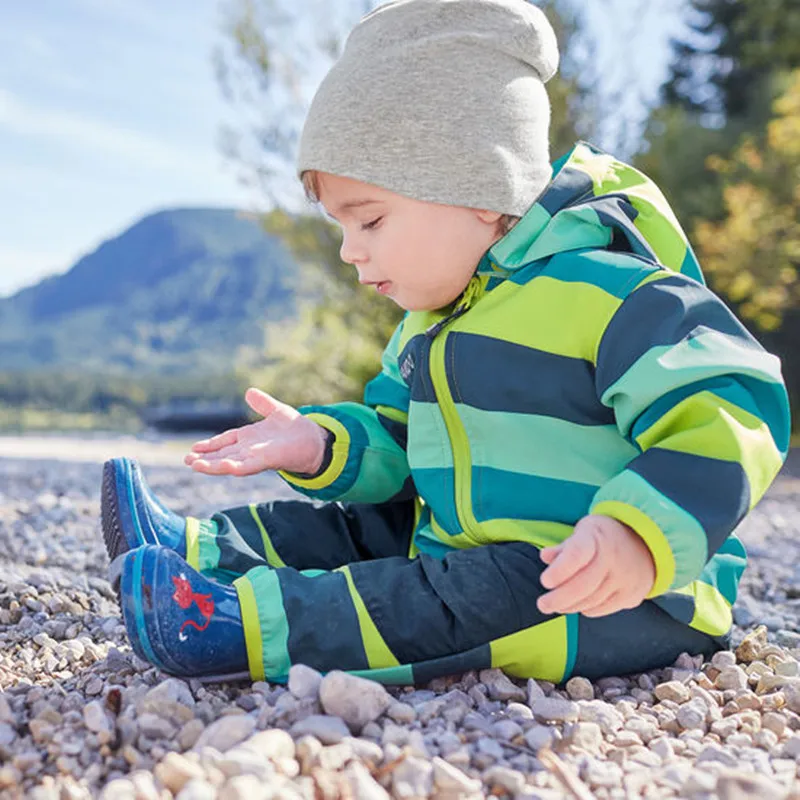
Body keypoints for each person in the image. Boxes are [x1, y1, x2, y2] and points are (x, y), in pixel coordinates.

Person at [103, 0, 790, 684]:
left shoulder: (611, 292)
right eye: (342, 226)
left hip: (601, 588)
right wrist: (320, 445)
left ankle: (239, 625)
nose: (349, 251)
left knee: (465, 594)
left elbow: (734, 404)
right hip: (459, 544)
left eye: (369, 220)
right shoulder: (428, 324)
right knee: (371, 526)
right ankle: (199, 549)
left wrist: (641, 534)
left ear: (481, 191)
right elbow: (400, 449)